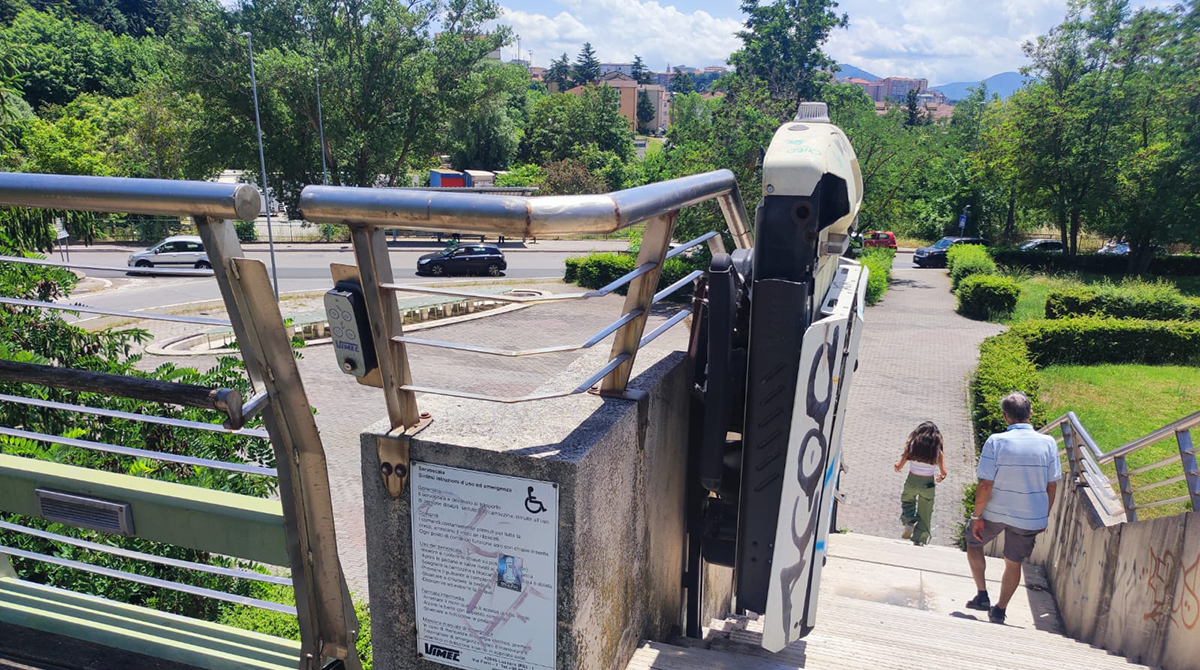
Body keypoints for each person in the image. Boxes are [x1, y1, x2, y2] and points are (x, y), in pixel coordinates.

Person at [965, 392, 1060, 625]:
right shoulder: (1049, 443)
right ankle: (1000, 610)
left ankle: (982, 594)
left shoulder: (996, 442)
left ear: (1005, 417)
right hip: (1029, 517)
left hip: (995, 512)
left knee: (973, 543)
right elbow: (1051, 486)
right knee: (1013, 562)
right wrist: (1043, 517)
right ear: (1031, 414)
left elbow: (986, 484)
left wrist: (977, 516)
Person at [893, 421, 947, 545]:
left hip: (912, 480)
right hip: (928, 484)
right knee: (926, 511)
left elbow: (899, 465)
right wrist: (941, 477)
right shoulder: (937, 452)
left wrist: (897, 465)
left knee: (907, 501)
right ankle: (920, 538)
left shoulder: (912, 446)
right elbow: (944, 472)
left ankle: (909, 521)